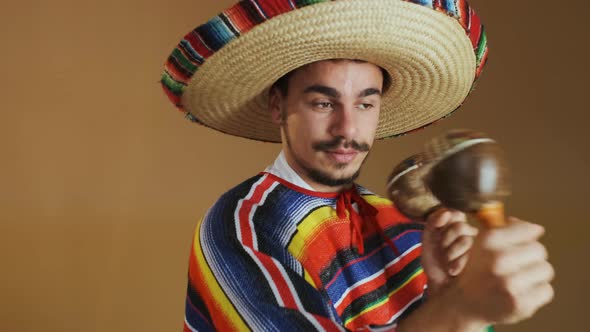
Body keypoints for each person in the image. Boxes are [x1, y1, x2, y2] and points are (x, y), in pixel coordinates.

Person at [161, 1, 554, 331]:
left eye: (365, 104)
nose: (347, 128)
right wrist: (460, 308)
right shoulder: (240, 227)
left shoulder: (404, 224)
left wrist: (446, 294)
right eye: (323, 103)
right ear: (277, 105)